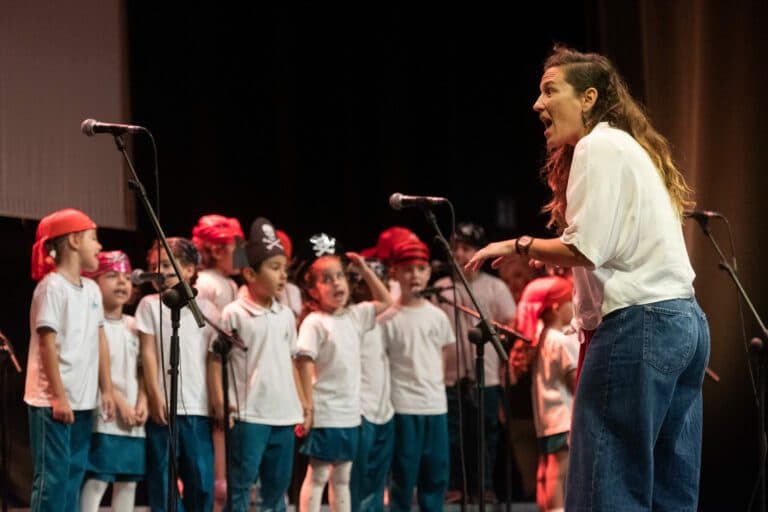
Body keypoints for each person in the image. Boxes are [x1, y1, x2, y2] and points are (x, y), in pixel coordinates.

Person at [465, 45, 711, 511]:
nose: (538, 105)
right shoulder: (629, 147)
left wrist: (517, 245)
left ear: (588, 98)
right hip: (684, 323)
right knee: (668, 493)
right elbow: (613, 246)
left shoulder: (597, 146)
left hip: (638, 326)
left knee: (606, 490)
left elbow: (586, 248)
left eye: (549, 91)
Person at [209, 217, 306, 511]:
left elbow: (292, 360)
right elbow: (215, 359)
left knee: (277, 490)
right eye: (274, 269)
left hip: (284, 415)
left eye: (284, 270)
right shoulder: (234, 314)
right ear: (250, 273)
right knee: (240, 486)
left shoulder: (286, 315)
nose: (282, 276)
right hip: (249, 414)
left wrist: (302, 404)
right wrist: (220, 401)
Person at [294, 233, 392, 512]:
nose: (336, 283)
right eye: (327, 279)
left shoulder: (355, 316)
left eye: (340, 276)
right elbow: (304, 364)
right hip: (326, 412)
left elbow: (385, 302)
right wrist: (307, 408)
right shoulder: (314, 322)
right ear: (312, 290)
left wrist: (363, 269)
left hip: (350, 413)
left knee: (343, 478)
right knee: (319, 475)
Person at [25, 208, 115, 511]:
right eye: (94, 238)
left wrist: (107, 389)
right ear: (75, 241)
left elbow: (99, 341)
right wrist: (59, 397)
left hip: (83, 401)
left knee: (74, 475)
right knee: (53, 479)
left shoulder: (91, 289)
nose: (99, 247)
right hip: (53, 403)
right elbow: (47, 345)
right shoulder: (52, 287)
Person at [435, 221, 517, 504]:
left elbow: (510, 323)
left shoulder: (494, 287)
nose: (459, 254)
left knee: (485, 434)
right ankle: (456, 485)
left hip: (488, 373)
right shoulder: (441, 288)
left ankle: (484, 486)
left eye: (466, 248)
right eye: (455, 248)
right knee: (453, 435)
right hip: (448, 373)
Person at [135, 237, 220, 511]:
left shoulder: (207, 309)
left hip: (197, 405)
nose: (158, 272)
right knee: (163, 478)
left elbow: (211, 360)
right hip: (164, 406)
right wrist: (154, 393)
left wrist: (216, 400)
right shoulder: (149, 305)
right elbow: (148, 353)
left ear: (189, 270)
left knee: (202, 478)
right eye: (152, 266)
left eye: (166, 266)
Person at [381, 239, 454, 511]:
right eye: (408, 269)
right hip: (402, 407)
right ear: (395, 273)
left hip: (435, 406)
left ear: (428, 273)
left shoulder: (438, 317)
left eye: (421, 268)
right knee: (402, 476)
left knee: (435, 477)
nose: (414, 275)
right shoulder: (387, 318)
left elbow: (443, 360)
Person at [80, 251, 148, 512]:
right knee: (98, 479)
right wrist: (119, 402)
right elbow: (96, 369)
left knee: (128, 482)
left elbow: (144, 369)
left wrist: (143, 400)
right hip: (106, 416)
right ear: (94, 283)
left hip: (134, 419)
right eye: (111, 276)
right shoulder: (93, 326)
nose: (121, 282)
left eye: (125, 277)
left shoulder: (134, 325)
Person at [191, 213, 244, 508]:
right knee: (218, 436)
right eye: (236, 247)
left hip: (227, 370)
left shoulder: (229, 284)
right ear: (216, 250)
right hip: (210, 369)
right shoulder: (208, 284)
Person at [514, 276, 578, 512]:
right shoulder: (562, 341)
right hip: (564, 417)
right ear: (555, 307)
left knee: (546, 470)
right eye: (571, 301)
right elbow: (575, 382)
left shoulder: (542, 339)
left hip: (547, 419)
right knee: (559, 473)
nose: (575, 306)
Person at [348, 251, 395, 512]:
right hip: (360, 412)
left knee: (377, 485)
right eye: (364, 282)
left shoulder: (386, 321)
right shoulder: (353, 317)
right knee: (357, 483)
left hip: (384, 412)